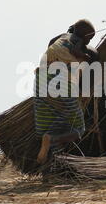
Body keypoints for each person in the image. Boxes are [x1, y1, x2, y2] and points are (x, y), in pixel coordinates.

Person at [34, 19, 98, 164]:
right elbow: (87, 76)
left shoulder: (60, 37)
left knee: (56, 124)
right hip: (62, 81)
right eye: (90, 38)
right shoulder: (86, 49)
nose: (89, 41)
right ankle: (51, 139)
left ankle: (55, 167)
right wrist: (85, 58)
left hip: (41, 80)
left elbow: (50, 46)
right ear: (85, 36)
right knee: (78, 129)